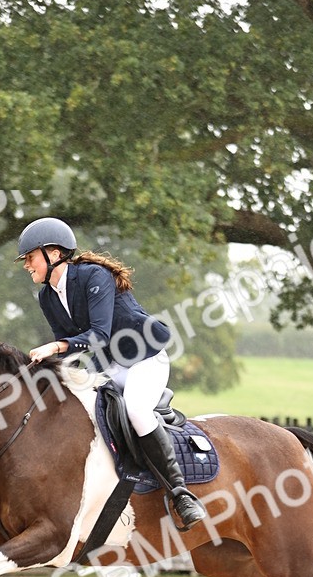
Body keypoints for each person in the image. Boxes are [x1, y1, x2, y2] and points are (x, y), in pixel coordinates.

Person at [15, 216, 206, 529]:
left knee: (136, 410)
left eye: (30, 257)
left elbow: (99, 335)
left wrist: (55, 348)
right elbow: (74, 347)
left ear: (53, 254)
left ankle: (180, 493)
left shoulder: (94, 276)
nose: (27, 265)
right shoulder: (47, 296)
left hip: (144, 356)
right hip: (108, 365)